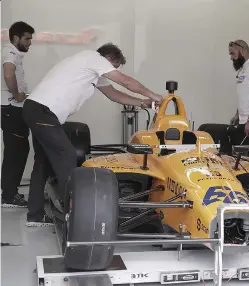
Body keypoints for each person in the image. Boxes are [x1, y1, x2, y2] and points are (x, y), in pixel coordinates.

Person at [23, 43, 163, 227]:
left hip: (36, 110)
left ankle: (35, 216)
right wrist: (154, 95)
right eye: (114, 68)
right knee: (67, 154)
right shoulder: (92, 58)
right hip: (42, 112)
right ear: (109, 59)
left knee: (43, 162)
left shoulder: (91, 70)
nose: (111, 72)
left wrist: (143, 103)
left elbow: (114, 94)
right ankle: (74, 214)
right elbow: (125, 81)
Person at [1, 21, 35, 208]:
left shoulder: (12, 52)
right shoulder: (10, 52)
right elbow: (8, 74)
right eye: (27, 38)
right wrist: (17, 95)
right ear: (16, 38)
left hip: (12, 109)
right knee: (16, 151)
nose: (30, 42)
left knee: (17, 150)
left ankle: (9, 193)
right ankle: (8, 196)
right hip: (11, 109)